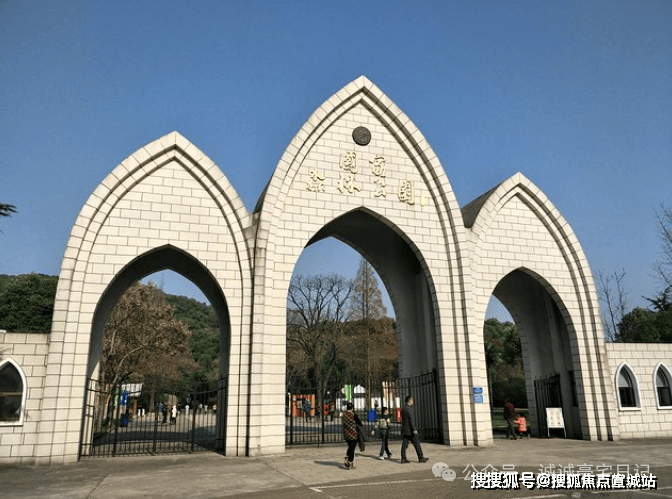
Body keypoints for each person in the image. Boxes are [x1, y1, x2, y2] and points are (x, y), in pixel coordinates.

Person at [400, 395, 428, 463]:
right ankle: (420, 457)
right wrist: (414, 429)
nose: (413, 402)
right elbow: (411, 420)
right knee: (416, 443)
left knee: (404, 444)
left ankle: (403, 458)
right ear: (409, 401)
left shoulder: (403, 409)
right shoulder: (409, 409)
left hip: (404, 429)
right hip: (410, 430)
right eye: (412, 400)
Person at [342, 402, 362, 470]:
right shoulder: (353, 414)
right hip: (353, 434)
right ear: (352, 408)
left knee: (350, 446)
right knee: (352, 448)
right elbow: (359, 422)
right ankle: (350, 462)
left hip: (346, 434)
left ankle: (348, 458)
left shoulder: (344, 415)